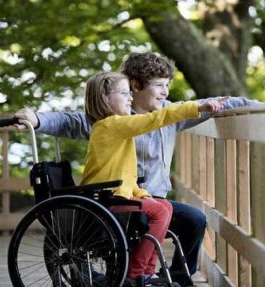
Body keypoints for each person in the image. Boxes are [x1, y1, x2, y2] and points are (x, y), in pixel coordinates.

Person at [15, 52, 262, 286]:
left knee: (194, 219)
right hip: (116, 203)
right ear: (135, 85)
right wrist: (36, 119)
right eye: (158, 85)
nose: (165, 92)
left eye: (167, 85)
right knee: (135, 228)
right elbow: (67, 121)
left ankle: (177, 279)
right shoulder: (110, 118)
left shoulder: (170, 114)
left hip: (148, 200)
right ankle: (121, 275)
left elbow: (217, 104)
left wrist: (260, 107)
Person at [79, 71, 223, 284]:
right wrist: (196, 108)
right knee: (159, 211)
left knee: (163, 206)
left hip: (116, 195)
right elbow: (156, 118)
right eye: (123, 93)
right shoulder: (111, 125)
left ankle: (148, 270)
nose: (129, 98)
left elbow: (126, 176)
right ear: (104, 99)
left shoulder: (117, 128)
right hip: (104, 201)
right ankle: (136, 272)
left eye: (130, 93)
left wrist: (143, 194)